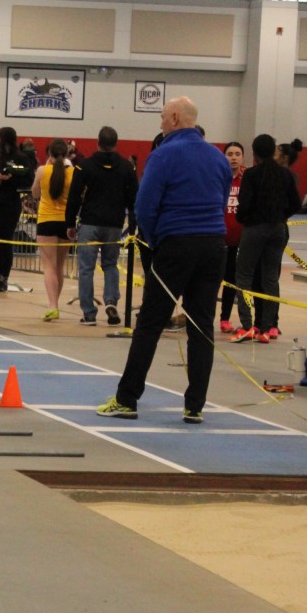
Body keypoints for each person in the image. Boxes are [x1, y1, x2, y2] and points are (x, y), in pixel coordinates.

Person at [97, 95, 230, 424]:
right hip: (214, 245)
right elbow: (221, 200)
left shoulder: (164, 154)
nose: (159, 122)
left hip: (176, 244)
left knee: (150, 323)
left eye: (161, 116)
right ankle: (195, 405)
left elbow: (144, 206)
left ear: (173, 118)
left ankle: (127, 399)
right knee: (201, 325)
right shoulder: (218, 157)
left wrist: (156, 242)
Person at [65, 125, 139, 327]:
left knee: (86, 268)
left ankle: (89, 313)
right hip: (114, 224)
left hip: (90, 222)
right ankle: (111, 301)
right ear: (116, 143)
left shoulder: (85, 166)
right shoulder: (127, 168)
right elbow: (134, 199)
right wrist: (133, 226)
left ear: (98, 143)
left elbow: (74, 197)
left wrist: (70, 223)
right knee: (110, 264)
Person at [232, 134, 301, 344]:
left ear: (254, 153)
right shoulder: (285, 174)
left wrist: (244, 219)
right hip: (277, 229)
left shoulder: (251, 174)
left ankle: (247, 326)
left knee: (244, 276)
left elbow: (244, 204)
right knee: (270, 278)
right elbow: (296, 204)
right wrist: (280, 216)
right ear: (273, 152)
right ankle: (267, 328)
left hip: (255, 229)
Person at [0, 126, 34, 291]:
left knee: (4, 241)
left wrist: (10, 178)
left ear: (4, 138)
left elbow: (28, 179)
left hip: (9, 204)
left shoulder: (21, 158)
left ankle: (3, 278)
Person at [32, 139, 74, 321]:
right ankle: (54, 303)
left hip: (46, 221)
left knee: (49, 266)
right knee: (59, 266)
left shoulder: (42, 170)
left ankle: (53, 306)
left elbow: (35, 193)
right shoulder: (72, 172)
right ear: (67, 154)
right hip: (65, 222)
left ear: (49, 154)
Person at [219, 141, 247, 335]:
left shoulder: (247, 179)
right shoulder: (218, 176)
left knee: (231, 281)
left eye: (237, 154)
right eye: (230, 154)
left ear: (243, 158)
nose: (234, 158)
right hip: (218, 238)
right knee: (211, 280)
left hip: (239, 241)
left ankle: (225, 319)